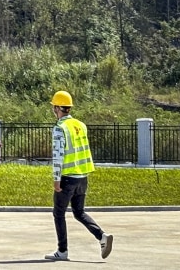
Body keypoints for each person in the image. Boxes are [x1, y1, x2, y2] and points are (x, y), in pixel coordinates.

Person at [45, 90, 113, 261]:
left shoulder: (60, 128)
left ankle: (62, 251)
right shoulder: (80, 125)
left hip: (67, 178)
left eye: (54, 107)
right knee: (79, 212)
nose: (53, 110)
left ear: (58, 108)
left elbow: (58, 155)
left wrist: (56, 179)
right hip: (82, 177)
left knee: (58, 213)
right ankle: (102, 236)